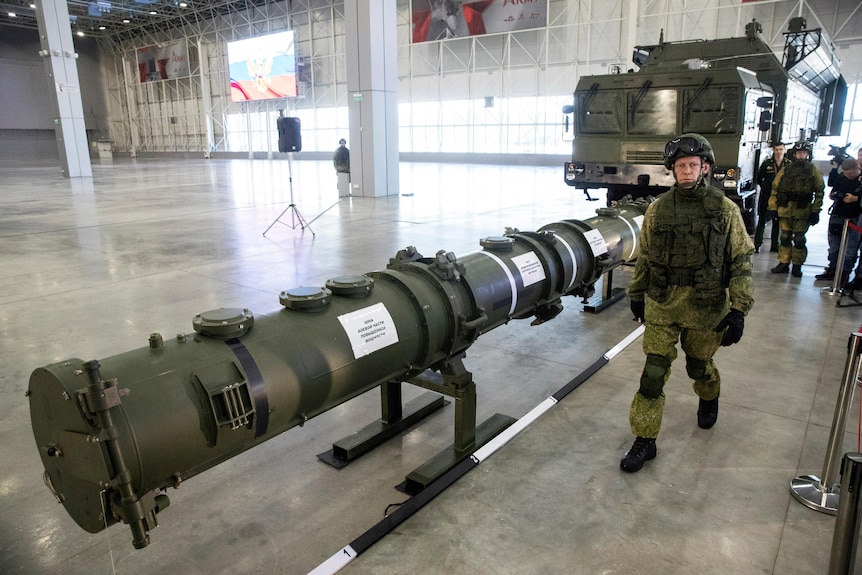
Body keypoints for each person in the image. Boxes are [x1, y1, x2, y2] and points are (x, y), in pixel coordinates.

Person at [621, 133, 755, 473]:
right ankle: (645, 440)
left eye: (692, 165)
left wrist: (738, 309)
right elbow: (646, 257)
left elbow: (740, 260)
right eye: (680, 166)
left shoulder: (724, 210)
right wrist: (637, 294)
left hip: (705, 307)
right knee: (653, 374)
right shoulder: (658, 209)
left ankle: (709, 396)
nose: (686, 171)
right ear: (673, 170)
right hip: (663, 304)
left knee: (698, 366)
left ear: (705, 167)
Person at [767, 141, 824, 278]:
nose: (801, 155)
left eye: (804, 153)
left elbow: (819, 191)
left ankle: (797, 265)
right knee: (785, 237)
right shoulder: (786, 170)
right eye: (799, 153)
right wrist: (773, 207)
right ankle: (784, 262)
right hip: (785, 209)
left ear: (808, 154)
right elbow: (775, 189)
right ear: (794, 154)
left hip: (802, 210)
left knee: (799, 239)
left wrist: (815, 210)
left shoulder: (813, 171)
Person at [815, 158, 861, 284]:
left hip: (855, 217)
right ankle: (832, 269)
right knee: (834, 246)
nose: (848, 176)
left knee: (850, 249)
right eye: (846, 174)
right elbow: (832, 191)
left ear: (858, 169)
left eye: (851, 174)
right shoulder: (841, 178)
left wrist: (856, 198)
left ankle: (844, 274)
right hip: (838, 215)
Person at [754, 143, 791, 253]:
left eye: (781, 149)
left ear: (784, 150)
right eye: (776, 149)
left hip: (781, 197)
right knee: (762, 219)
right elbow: (759, 178)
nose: (778, 152)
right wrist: (766, 188)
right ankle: (757, 244)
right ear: (773, 151)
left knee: (777, 220)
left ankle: (775, 245)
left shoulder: (788, 165)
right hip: (767, 196)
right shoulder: (767, 164)